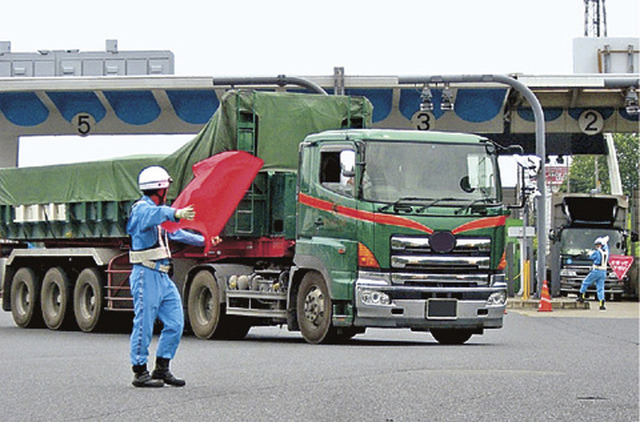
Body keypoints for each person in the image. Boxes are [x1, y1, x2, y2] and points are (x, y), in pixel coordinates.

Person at [127, 165, 206, 388]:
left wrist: (205, 240)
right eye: (167, 188)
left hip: (162, 276)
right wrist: (175, 213)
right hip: (145, 273)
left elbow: (176, 232)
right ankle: (140, 371)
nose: (168, 192)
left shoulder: (157, 212)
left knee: (176, 322)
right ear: (159, 188)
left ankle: (162, 368)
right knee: (143, 324)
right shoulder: (142, 209)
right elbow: (155, 215)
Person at [576, 236, 610, 311]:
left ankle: (581, 296)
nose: (596, 246)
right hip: (603, 271)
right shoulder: (606, 251)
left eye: (598, 245)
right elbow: (606, 247)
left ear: (600, 245)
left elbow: (591, 257)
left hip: (596, 270)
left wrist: (586, 254)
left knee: (585, 282)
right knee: (600, 288)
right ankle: (602, 303)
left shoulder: (598, 252)